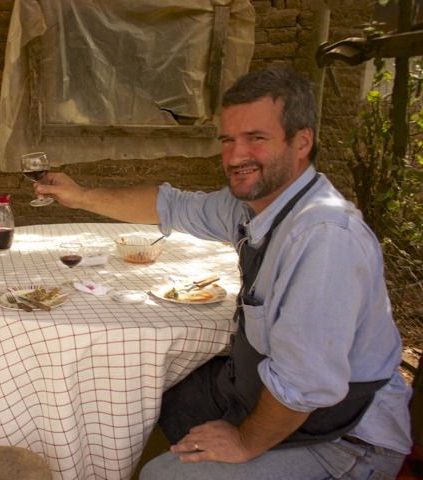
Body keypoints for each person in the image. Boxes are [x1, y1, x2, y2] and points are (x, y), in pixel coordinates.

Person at [35, 68, 412, 479]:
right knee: (157, 394)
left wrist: (244, 441)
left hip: (343, 439)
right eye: (228, 140)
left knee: (161, 476)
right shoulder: (256, 206)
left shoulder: (323, 236)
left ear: (302, 142)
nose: (235, 156)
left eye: (256, 138)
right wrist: (80, 196)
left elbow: (304, 385)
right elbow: (170, 205)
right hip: (267, 397)